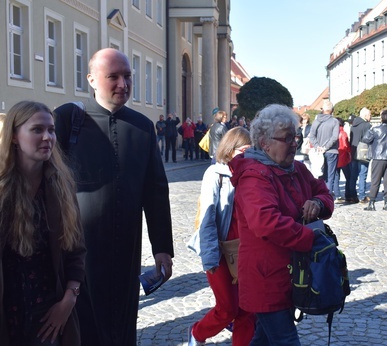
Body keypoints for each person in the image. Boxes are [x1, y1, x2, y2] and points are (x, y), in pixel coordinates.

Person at [54, 48, 174, 345]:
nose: (123, 84)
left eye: (127, 76)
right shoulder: (69, 120)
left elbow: (155, 190)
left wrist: (162, 248)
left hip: (126, 248)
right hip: (79, 248)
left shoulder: (143, 126)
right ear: (92, 80)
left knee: (122, 324)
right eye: (113, 77)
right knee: (82, 325)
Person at [228, 104, 334, 345]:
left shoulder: (296, 168)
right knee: (285, 340)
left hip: (291, 273)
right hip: (266, 278)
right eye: (287, 139)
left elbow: (324, 193)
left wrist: (317, 202)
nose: (295, 143)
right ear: (265, 143)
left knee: (264, 340)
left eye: (295, 137)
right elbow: (266, 222)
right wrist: (309, 239)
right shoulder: (254, 176)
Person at [0, 101, 86, 345]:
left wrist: (69, 299)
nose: (47, 137)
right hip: (8, 318)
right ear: (15, 136)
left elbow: (76, 249)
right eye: (37, 130)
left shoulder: (61, 186)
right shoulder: (2, 190)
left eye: (51, 130)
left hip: (49, 316)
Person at [187, 127, 255, 346]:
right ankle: (197, 333)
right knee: (227, 308)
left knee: (247, 309)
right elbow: (207, 219)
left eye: (251, 150)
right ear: (230, 149)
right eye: (244, 150)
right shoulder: (215, 174)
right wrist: (210, 258)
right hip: (219, 251)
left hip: (246, 252)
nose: (248, 155)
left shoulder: (253, 174)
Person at [361, 110, 387, 211]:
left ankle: (372, 203)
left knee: (375, 181)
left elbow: (365, 139)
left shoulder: (375, 129)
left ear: (381, 118)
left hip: (378, 157)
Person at [308, 100, 340, 195]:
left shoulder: (316, 121)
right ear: (332, 110)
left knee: (321, 175)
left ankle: (320, 196)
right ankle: (328, 197)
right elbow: (335, 137)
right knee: (330, 176)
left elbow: (311, 137)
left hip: (319, 152)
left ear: (323, 109)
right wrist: (325, 147)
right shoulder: (334, 121)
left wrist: (318, 146)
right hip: (331, 151)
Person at [347, 108, 372, 204]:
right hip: (363, 152)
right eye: (370, 115)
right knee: (362, 174)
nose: (371, 117)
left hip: (354, 152)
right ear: (365, 116)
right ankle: (362, 196)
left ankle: (352, 195)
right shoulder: (367, 126)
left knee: (353, 175)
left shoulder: (353, 125)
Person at [334, 117, 352, 203]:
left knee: (336, 177)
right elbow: (345, 146)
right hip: (344, 157)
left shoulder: (333, 132)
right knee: (348, 177)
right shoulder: (343, 133)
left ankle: (338, 195)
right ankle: (348, 194)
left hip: (335, 157)